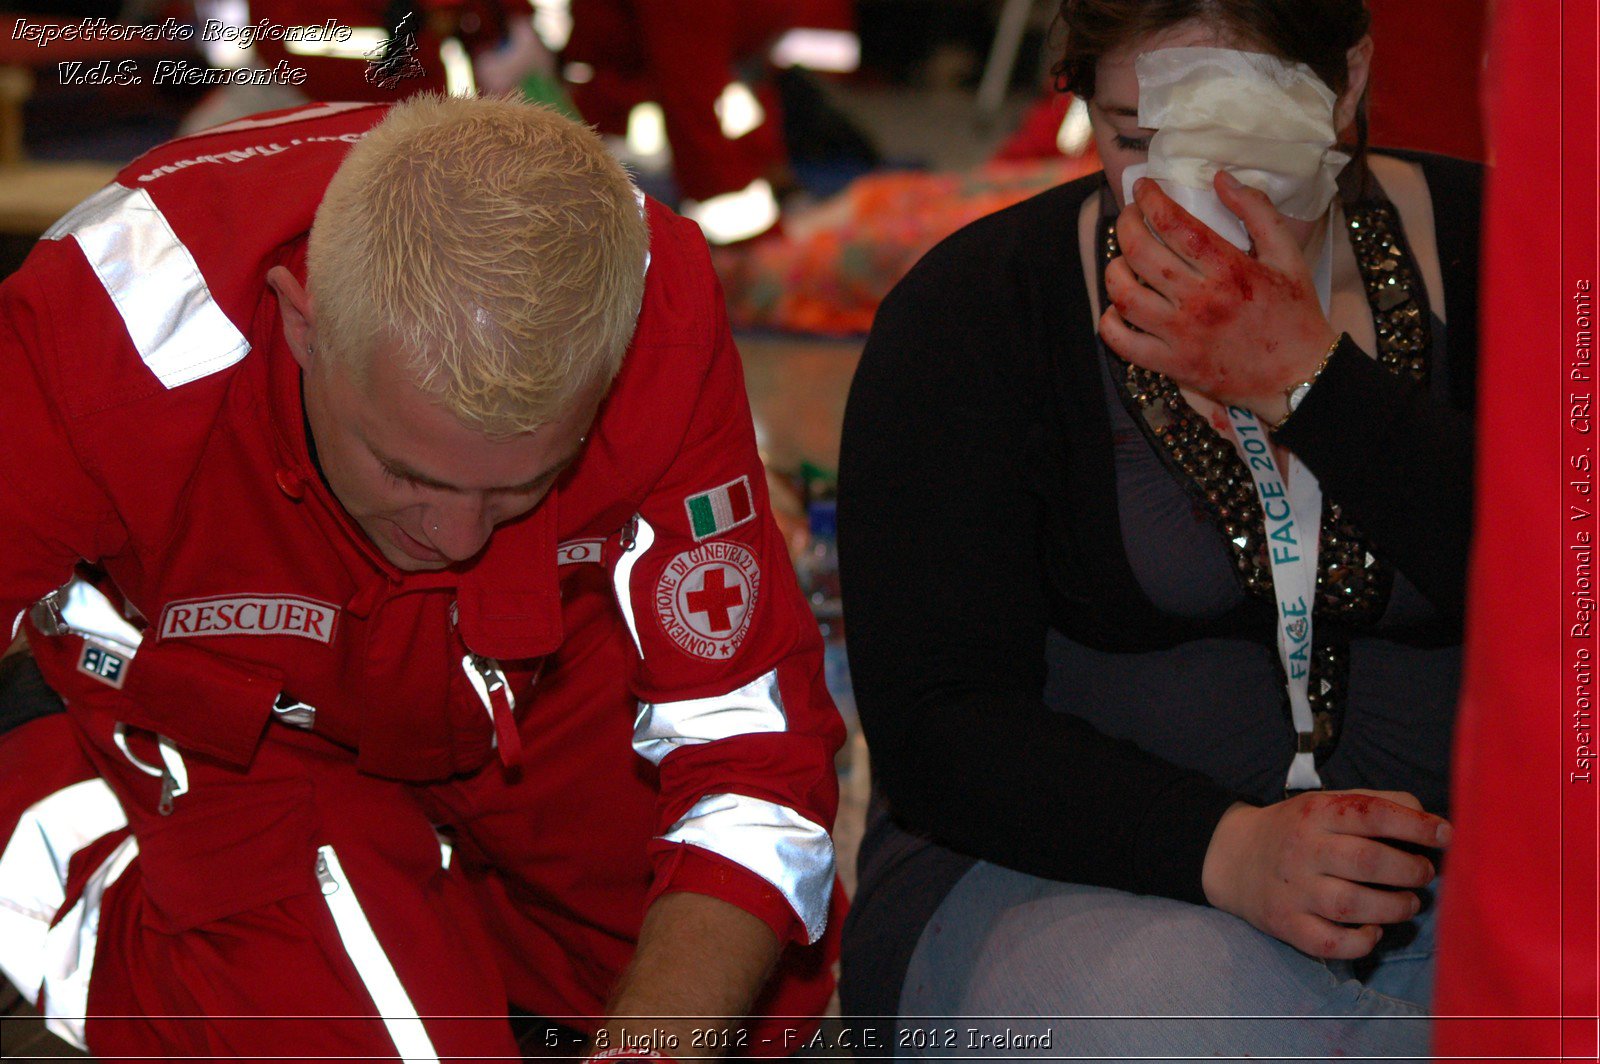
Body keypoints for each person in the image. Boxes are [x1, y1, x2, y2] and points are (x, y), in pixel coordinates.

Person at [0, 94, 844, 1060]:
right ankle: (69, 836)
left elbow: (754, 760)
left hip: (534, 665)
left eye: (519, 487)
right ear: (301, 322)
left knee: (758, 996)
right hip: (233, 693)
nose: (451, 534)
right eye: (407, 472)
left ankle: (449, 922)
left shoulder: (651, 310)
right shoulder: (109, 325)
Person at [837, 0, 1477, 1058]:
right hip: (1065, 884)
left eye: (1230, 141)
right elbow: (935, 720)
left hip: (1468, 879)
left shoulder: (1514, 249)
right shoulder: (974, 307)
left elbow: (1564, 576)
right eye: (1132, 138)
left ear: (1346, 84)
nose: (1178, 197)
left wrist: (1311, 384)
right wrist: (1222, 849)